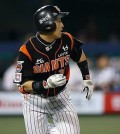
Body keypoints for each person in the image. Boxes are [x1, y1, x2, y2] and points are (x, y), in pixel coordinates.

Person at [14, 5, 94, 134]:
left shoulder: (66, 39)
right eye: (58, 21)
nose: (62, 25)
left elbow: (80, 56)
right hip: (35, 101)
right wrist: (46, 84)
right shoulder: (28, 49)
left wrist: (87, 79)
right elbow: (23, 85)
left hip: (61, 98)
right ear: (47, 24)